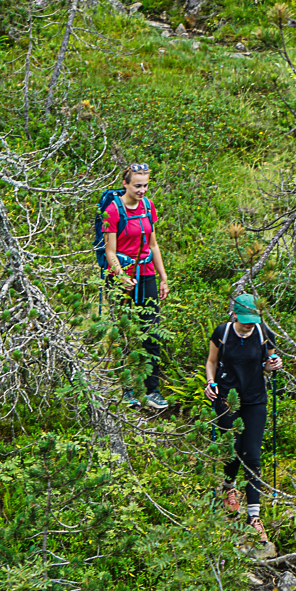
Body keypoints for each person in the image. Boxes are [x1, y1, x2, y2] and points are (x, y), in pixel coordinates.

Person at [204, 293, 283, 541]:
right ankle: (229, 487)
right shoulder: (223, 332)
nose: (249, 324)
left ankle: (254, 516)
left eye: (253, 320)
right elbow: (211, 361)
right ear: (235, 315)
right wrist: (209, 382)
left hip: (255, 399)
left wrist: (273, 365)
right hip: (227, 398)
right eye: (246, 320)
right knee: (233, 448)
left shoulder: (263, 333)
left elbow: (268, 363)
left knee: (253, 454)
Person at [103, 163, 170, 412]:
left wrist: (163, 277)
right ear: (126, 184)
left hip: (146, 273)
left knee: (152, 331)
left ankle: (152, 390)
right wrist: (121, 277)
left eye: (145, 185)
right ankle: (127, 389)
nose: (142, 190)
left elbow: (153, 245)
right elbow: (110, 251)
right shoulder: (112, 210)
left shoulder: (148, 206)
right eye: (137, 185)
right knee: (123, 332)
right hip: (122, 275)